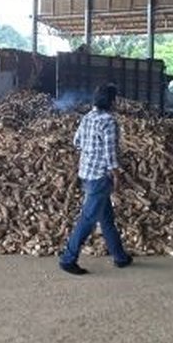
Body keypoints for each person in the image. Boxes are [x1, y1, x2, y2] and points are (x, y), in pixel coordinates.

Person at [58, 84, 132, 275]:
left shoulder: (87, 117)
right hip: (100, 177)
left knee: (106, 218)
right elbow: (110, 155)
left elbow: (77, 142)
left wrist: (91, 151)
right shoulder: (109, 122)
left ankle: (120, 257)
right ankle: (68, 259)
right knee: (88, 219)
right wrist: (117, 176)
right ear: (112, 101)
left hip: (86, 173)